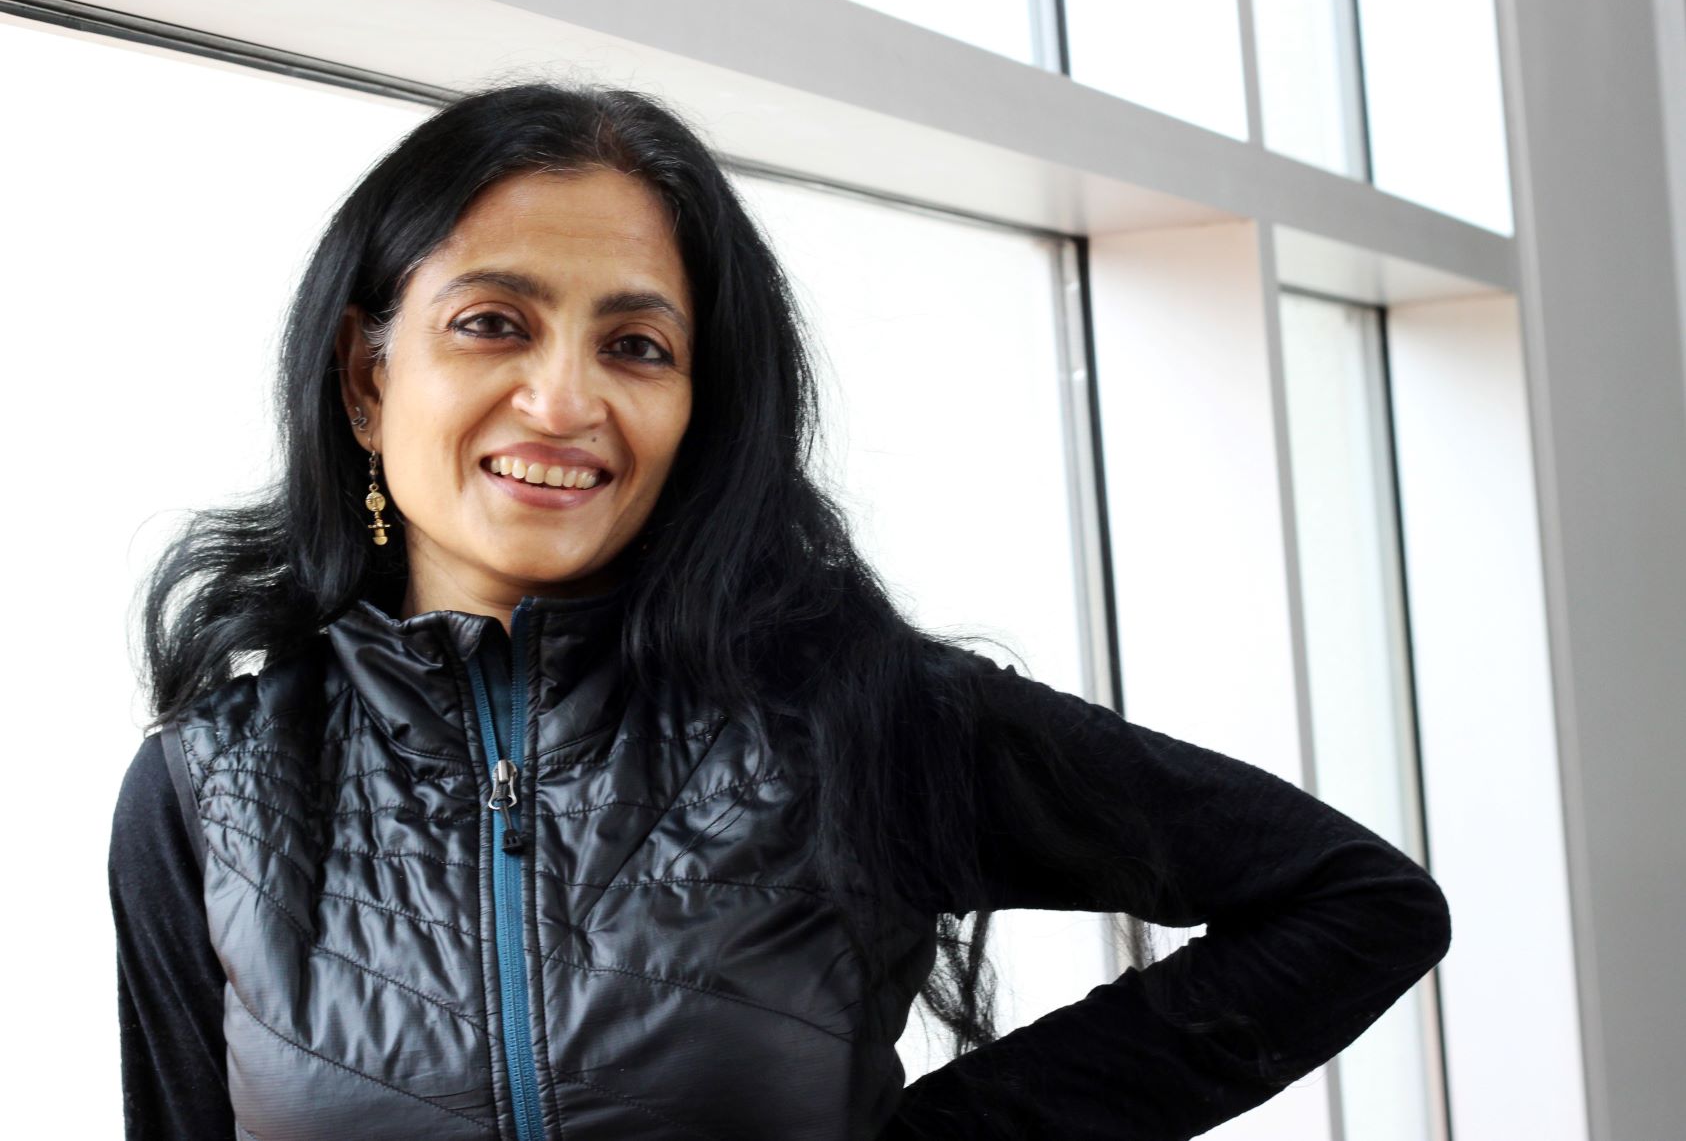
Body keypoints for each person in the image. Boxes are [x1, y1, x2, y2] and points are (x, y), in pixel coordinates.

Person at [109, 80, 1452, 1140]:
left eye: (636, 346)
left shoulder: (856, 715)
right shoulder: (210, 792)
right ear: (366, 379)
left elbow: (1350, 902)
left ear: (700, 407)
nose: (564, 400)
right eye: (493, 323)